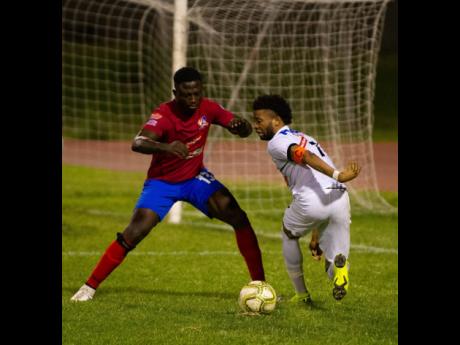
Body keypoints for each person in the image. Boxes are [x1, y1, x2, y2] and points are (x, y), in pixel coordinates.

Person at [71, 67, 265, 301]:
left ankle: (260, 286)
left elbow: (239, 127)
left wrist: (241, 126)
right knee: (135, 231)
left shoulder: (208, 107)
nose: (192, 99)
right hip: (162, 184)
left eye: (196, 93)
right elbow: (138, 142)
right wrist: (166, 147)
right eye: (186, 94)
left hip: (195, 179)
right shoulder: (163, 115)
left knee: (238, 216)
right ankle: (89, 287)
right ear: (176, 92)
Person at [252, 94, 361, 303]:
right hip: (338, 196)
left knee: (288, 234)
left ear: (276, 120)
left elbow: (303, 156)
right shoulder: (305, 136)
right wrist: (314, 234)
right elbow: (315, 176)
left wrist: (338, 173)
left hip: (315, 198)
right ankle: (340, 272)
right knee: (333, 261)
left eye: (259, 120)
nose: (255, 125)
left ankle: (301, 295)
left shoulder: (277, 142)